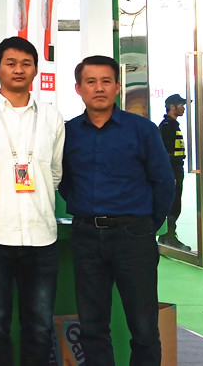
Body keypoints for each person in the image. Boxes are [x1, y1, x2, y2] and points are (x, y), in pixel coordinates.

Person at [59, 55, 175, 366]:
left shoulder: (142, 130)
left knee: (144, 326)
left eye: (106, 81)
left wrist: (147, 225)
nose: (99, 88)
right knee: (92, 327)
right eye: (91, 82)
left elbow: (164, 182)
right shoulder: (68, 132)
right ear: (78, 88)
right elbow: (64, 182)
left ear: (117, 87)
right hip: (86, 236)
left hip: (133, 237)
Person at [0, 36, 65, 366]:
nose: (18, 69)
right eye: (10, 63)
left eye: (26, 63)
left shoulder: (52, 117)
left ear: (35, 69)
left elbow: (55, 172)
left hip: (42, 237)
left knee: (39, 326)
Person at [157, 93, 189, 251]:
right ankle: (168, 236)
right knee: (173, 203)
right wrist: (169, 174)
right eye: (181, 105)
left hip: (176, 169)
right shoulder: (167, 126)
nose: (183, 108)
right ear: (172, 107)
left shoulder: (172, 125)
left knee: (175, 202)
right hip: (173, 170)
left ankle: (166, 236)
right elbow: (164, 153)